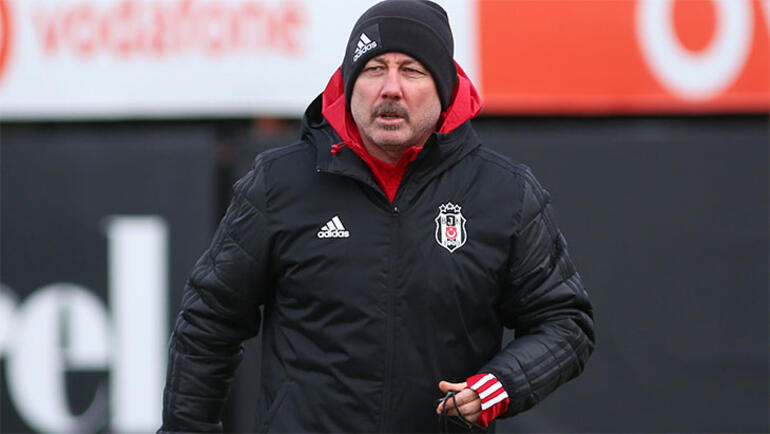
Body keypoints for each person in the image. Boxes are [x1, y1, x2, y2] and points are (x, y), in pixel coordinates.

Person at [159, 0, 595, 432]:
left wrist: (499, 386)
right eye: (373, 69)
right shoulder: (278, 183)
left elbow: (565, 323)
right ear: (349, 84)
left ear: (445, 89)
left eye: (412, 70)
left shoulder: (504, 192)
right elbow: (209, 320)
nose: (390, 88)